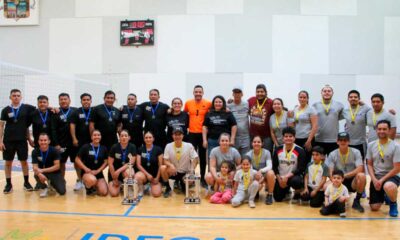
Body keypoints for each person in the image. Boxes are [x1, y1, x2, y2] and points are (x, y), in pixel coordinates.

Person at [1, 89, 36, 193]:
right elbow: (1, 126)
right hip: (8, 140)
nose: (16, 97)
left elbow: (40, 107)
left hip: (21, 140)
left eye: (18, 95)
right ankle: (8, 184)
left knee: (24, 162)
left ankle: (26, 182)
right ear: (10, 97)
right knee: (8, 163)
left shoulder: (26, 108)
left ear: (21, 97)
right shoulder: (5, 110)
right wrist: (0, 141)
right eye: (14, 95)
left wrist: (29, 139)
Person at [325, 132, 366, 213]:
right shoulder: (332, 154)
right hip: (338, 180)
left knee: (361, 176)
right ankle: (333, 201)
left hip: (352, 180)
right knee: (325, 186)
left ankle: (357, 201)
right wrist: (335, 179)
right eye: (340, 140)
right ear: (337, 142)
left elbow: (360, 168)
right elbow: (330, 171)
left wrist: (344, 176)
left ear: (349, 141)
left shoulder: (356, 152)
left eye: (345, 140)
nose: (343, 142)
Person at [366, 120, 400, 217]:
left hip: (391, 176)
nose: (382, 131)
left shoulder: (396, 146)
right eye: (379, 129)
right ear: (376, 130)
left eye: (384, 129)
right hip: (377, 177)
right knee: (375, 207)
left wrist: (381, 180)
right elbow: (369, 164)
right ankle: (386, 195)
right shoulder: (371, 145)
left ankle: (393, 203)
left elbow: (397, 168)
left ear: (389, 130)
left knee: (388, 186)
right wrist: (373, 179)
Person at [184, 85, 212, 187]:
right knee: (191, 157)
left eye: (200, 92)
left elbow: (218, 108)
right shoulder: (188, 103)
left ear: (203, 93)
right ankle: (190, 178)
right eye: (196, 92)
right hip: (191, 134)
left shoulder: (208, 103)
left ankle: (203, 179)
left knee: (202, 157)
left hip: (203, 134)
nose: (198, 94)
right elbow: (183, 114)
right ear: (193, 92)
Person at [161, 127, 199, 198]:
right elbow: (165, 160)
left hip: (185, 172)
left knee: (187, 184)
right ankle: (168, 188)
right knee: (163, 168)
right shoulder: (168, 146)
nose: (177, 136)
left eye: (179, 134)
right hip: (174, 171)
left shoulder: (189, 145)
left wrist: (192, 169)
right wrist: (171, 165)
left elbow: (196, 158)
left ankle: (183, 185)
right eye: (175, 134)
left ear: (182, 136)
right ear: (172, 136)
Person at [272, 127, 306, 202]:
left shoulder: (300, 150)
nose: (288, 138)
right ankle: (286, 191)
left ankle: (297, 192)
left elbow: (301, 169)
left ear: (294, 138)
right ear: (283, 138)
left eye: (290, 136)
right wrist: (279, 179)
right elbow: (274, 167)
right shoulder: (278, 149)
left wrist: (286, 177)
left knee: (296, 181)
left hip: (293, 177)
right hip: (281, 178)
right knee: (277, 198)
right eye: (286, 136)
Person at [51, 93, 78, 178]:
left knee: (77, 162)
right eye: (61, 99)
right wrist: (56, 144)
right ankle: (62, 180)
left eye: (65, 99)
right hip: (61, 143)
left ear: (69, 100)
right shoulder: (55, 112)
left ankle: (80, 181)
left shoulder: (76, 111)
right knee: (61, 163)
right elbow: (53, 130)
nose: (63, 101)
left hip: (74, 143)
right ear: (59, 101)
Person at [70, 93, 92, 191]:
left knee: (89, 161)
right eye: (84, 100)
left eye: (88, 99)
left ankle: (89, 180)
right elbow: (72, 125)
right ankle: (79, 180)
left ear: (91, 101)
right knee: (77, 161)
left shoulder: (94, 111)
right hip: (79, 141)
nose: (86, 101)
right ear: (81, 101)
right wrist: (74, 138)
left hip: (91, 141)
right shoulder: (76, 112)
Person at [75, 130, 109, 196]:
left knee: (104, 192)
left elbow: (106, 161)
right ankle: (89, 188)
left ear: (101, 137)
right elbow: (77, 159)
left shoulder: (103, 148)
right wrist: (85, 168)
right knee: (92, 180)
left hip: (98, 173)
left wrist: (98, 170)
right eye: (94, 135)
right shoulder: (85, 147)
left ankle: (95, 186)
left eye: (98, 135)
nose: (97, 136)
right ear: (91, 137)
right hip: (87, 173)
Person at [31, 133, 66, 197]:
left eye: (45, 140)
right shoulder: (35, 152)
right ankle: (44, 187)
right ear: (38, 141)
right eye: (41, 140)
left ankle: (52, 184)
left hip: (54, 173)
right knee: (36, 174)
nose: (43, 142)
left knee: (62, 192)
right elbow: (34, 167)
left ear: (49, 141)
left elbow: (57, 166)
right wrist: (39, 173)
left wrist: (42, 170)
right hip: (42, 173)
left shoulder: (54, 151)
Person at [312, 85, 344, 155]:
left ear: (332, 93)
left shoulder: (339, 105)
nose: (327, 93)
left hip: (334, 140)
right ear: (321, 93)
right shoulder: (315, 105)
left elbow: (342, 117)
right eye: (325, 91)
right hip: (319, 139)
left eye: (329, 91)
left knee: (332, 163)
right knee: (319, 163)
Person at [245, 136, 275, 205]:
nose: (256, 144)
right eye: (254, 142)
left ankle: (270, 195)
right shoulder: (248, 154)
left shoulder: (267, 152)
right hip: (254, 175)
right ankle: (255, 192)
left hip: (264, 174)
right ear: (252, 143)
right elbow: (249, 168)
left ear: (262, 143)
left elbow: (269, 166)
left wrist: (261, 172)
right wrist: (256, 174)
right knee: (247, 173)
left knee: (271, 173)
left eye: (259, 142)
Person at [108, 130, 137, 197]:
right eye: (122, 136)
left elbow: (131, 162)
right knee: (114, 194)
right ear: (119, 137)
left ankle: (128, 187)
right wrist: (114, 177)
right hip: (114, 173)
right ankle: (120, 185)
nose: (124, 137)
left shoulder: (132, 147)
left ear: (129, 137)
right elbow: (110, 163)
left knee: (130, 172)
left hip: (124, 171)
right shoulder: (114, 147)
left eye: (126, 136)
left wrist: (118, 171)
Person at [342, 90, 370, 159]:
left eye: (355, 97)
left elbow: (374, 112)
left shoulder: (365, 109)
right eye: (351, 97)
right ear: (348, 99)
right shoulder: (344, 110)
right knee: (349, 163)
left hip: (361, 143)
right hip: (348, 143)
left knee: (361, 164)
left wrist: (364, 104)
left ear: (359, 99)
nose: (353, 98)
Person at [291, 90, 318, 162]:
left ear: (307, 99)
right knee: (297, 159)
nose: (302, 99)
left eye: (304, 97)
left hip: (307, 138)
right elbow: (294, 123)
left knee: (307, 159)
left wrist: (309, 141)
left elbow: (315, 126)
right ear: (298, 98)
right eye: (300, 97)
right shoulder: (295, 109)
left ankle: (306, 173)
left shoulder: (311, 109)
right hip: (297, 138)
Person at [135, 131, 163, 198]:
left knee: (156, 194)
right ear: (144, 139)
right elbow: (138, 164)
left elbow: (160, 165)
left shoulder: (158, 149)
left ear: (153, 139)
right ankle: (141, 189)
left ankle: (151, 186)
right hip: (144, 175)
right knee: (137, 176)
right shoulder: (140, 149)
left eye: (150, 137)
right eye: (146, 138)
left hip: (155, 176)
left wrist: (157, 178)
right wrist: (147, 175)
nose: (148, 139)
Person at [248, 84, 274, 152]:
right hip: (253, 135)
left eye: (262, 92)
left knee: (267, 155)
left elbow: (278, 109)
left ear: (266, 92)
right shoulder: (251, 100)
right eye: (258, 92)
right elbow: (242, 105)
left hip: (266, 136)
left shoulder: (270, 102)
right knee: (253, 155)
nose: (260, 93)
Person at [227, 86, 250, 156]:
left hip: (246, 137)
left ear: (242, 94)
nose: (237, 94)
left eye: (238, 92)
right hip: (234, 137)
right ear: (232, 94)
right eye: (235, 92)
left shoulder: (247, 104)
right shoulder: (228, 105)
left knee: (245, 159)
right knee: (234, 159)